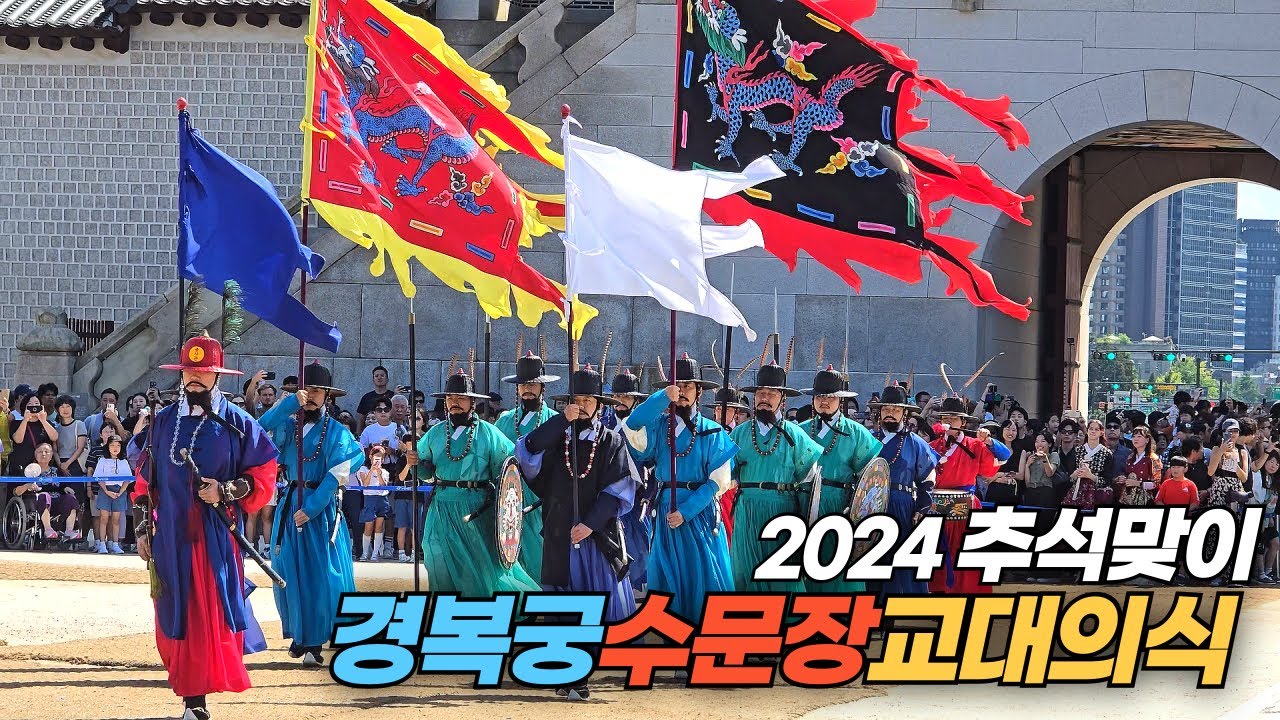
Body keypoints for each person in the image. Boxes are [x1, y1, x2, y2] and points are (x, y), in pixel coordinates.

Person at [127, 333, 278, 720]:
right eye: (190, 372)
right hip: (171, 537)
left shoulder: (239, 424)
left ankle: (196, 702)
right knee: (174, 612)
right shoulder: (162, 423)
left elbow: (263, 476)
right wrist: (143, 529)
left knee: (205, 615)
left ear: (217, 377)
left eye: (203, 372)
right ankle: (191, 697)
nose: (195, 379)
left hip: (214, 538)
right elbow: (145, 481)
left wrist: (225, 490)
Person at [259, 362, 363, 667]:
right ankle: (300, 634)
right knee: (287, 571)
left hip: (321, 508)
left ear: (327, 396)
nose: (312, 397)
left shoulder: (337, 431)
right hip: (290, 502)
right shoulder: (288, 427)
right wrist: (290, 402)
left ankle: (315, 640)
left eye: (318, 391)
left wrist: (313, 507)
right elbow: (261, 426)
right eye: (307, 391)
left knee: (320, 574)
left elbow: (340, 471)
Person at [620, 353, 736, 620]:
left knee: (702, 573)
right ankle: (670, 633)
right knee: (665, 573)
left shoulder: (713, 431)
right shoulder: (660, 426)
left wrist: (687, 511)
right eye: (677, 386)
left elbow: (717, 483)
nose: (682, 392)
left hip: (699, 512)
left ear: (699, 392)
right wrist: (662, 398)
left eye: (688, 386)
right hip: (664, 510)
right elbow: (633, 424)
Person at [406, 369, 540, 595]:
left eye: (460, 398)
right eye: (450, 398)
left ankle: (486, 612)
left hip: (477, 508)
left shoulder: (490, 433)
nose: (454, 403)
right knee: (437, 559)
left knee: (480, 566)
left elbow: (509, 471)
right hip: (441, 507)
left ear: (472, 402)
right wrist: (415, 464)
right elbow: (426, 472)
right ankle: (448, 614)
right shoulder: (436, 433)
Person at [730, 360, 822, 594]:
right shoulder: (739, 433)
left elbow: (809, 481)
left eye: (772, 394)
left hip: (783, 511)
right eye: (761, 392)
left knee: (784, 575)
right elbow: (727, 474)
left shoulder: (795, 435)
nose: (765, 398)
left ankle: (789, 625)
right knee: (745, 571)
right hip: (747, 509)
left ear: (783, 398)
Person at [799, 365, 882, 593]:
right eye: (820, 396)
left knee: (839, 568)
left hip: (839, 506)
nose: (824, 401)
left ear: (840, 400)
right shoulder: (800, 430)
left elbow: (871, 480)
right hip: (803, 504)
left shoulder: (857, 433)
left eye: (830, 396)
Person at [928, 396, 1010, 594]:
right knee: (937, 556)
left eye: (954, 419)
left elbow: (1003, 457)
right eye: (945, 418)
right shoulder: (933, 445)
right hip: (937, 509)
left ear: (963, 422)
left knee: (965, 556)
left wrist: (989, 440)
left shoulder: (975, 445)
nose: (949, 423)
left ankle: (968, 599)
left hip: (966, 507)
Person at [496, 351, 561, 584]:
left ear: (542, 387)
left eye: (533, 384)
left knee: (538, 553)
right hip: (507, 498)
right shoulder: (504, 420)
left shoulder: (555, 420)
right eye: (523, 384)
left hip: (540, 499)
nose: (528, 389)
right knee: (506, 553)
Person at [868, 386, 939, 596]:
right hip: (871, 504)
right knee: (872, 560)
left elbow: (928, 476)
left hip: (903, 504)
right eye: (886, 409)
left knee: (902, 561)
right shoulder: (868, 438)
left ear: (904, 413)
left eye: (896, 409)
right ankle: (871, 613)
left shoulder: (915, 442)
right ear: (879, 412)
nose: (890, 413)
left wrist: (923, 506)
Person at [603, 366, 655, 594]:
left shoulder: (646, 427)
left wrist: (649, 494)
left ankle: (637, 594)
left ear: (636, 400)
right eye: (617, 396)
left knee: (641, 547)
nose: (621, 401)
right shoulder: (603, 425)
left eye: (626, 396)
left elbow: (655, 464)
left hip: (637, 496)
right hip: (609, 497)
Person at [704, 385, 750, 542]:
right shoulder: (707, 432)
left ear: (736, 413)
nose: (721, 412)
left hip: (732, 491)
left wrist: (735, 481)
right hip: (708, 489)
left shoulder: (742, 434)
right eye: (718, 408)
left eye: (727, 409)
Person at [13, 442, 79, 541]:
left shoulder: (57, 471)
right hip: (37, 502)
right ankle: (48, 530)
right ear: (35, 455)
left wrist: (66, 488)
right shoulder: (29, 471)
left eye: (47, 452)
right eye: (40, 452)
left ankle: (69, 531)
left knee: (70, 499)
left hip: (56, 501)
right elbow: (16, 492)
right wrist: (27, 486)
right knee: (44, 495)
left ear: (52, 455)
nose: (44, 454)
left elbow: (62, 486)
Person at [92, 434, 132, 554]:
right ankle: (102, 544)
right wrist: (106, 491)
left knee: (116, 519)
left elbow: (128, 479)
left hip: (119, 491)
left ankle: (115, 544)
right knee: (103, 518)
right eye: (112, 445)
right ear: (107, 447)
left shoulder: (124, 461)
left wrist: (120, 492)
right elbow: (98, 478)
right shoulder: (102, 460)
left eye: (118, 446)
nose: (115, 448)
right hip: (105, 490)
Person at [1064, 419, 1113, 510]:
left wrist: (1091, 476)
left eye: (1096, 429)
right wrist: (1075, 474)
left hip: (1097, 493)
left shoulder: (1106, 453)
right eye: (1091, 429)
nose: (1093, 431)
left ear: (1101, 432)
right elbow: (1069, 475)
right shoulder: (1077, 451)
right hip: (1077, 491)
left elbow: (1108, 480)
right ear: (1087, 430)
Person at [357, 444, 392, 562]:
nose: (379, 460)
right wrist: (371, 471)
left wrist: (379, 473)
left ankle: (375, 553)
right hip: (369, 499)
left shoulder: (385, 471)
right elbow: (365, 484)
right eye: (377, 457)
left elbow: (384, 485)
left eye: (381, 458)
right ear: (371, 457)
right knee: (368, 526)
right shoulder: (363, 469)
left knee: (379, 526)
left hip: (382, 499)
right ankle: (365, 553)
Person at [10, 393, 58, 476]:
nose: (33, 407)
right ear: (25, 407)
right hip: (21, 465)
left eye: (36, 404)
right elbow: (18, 440)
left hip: (42, 466)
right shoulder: (16, 424)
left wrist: (43, 420)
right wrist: (25, 420)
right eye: (30, 404)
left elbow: (54, 437)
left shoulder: (47, 424)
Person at [1119, 426, 1162, 506]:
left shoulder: (1153, 458)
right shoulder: (1130, 457)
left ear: (1147, 440)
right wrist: (1123, 479)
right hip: (1128, 498)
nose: (1135, 439)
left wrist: (1138, 483)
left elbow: (1156, 484)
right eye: (1134, 436)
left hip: (1145, 499)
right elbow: (1127, 475)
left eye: (1139, 436)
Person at [984, 419, 1023, 506]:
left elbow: (1021, 475)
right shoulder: (993, 448)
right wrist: (999, 478)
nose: (1011, 432)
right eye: (1007, 429)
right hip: (995, 490)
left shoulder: (1021, 451)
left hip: (1012, 492)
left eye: (1014, 430)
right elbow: (987, 477)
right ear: (1002, 430)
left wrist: (1000, 474)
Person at [52, 395, 88, 476]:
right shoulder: (56, 427)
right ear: (58, 409)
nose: (65, 410)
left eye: (68, 406)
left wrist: (67, 464)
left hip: (76, 461)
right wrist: (60, 465)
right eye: (62, 407)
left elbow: (80, 448)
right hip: (59, 463)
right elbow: (54, 450)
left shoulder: (79, 424)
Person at [355, 366, 394, 433]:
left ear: (387, 379)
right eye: (376, 376)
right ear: (373, 380)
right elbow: (361, 418)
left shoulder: (393, 395)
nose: (379, 378)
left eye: (382, 375)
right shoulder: (366, 397)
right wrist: (358, 434)